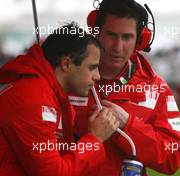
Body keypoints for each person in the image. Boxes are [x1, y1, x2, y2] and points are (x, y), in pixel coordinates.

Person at [71, 0, 180, 175]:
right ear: (97, 33)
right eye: (111, 35)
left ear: (140, 40)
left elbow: (172, 157)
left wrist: (128, 124)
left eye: (127, 37)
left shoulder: (157, 88)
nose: (117, 47)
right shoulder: (68, 78)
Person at [0, 22, 119, 175]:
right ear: (66, 64)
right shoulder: (35, 100)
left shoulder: (45, 92)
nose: (97, 76)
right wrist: (94, 139)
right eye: (92, 67)